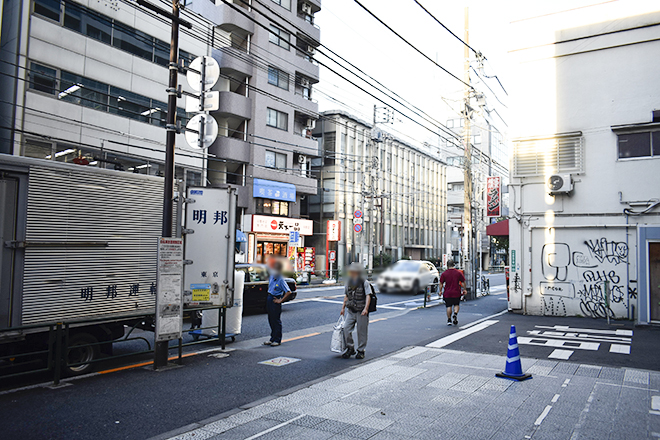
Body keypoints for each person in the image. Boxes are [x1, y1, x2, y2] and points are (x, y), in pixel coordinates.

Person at [340, 262, 372, 359]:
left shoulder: (364, 282)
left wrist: (366, 309)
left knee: (361, 331)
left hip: (361, 310)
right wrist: (343, 308)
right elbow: (346, 296)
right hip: (351, 310)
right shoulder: (349, 282)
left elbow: (368, 295)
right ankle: (350, 348)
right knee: (346, 328)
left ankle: (361, 350)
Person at [263, 259, 292, 346]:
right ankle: (272, 338)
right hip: (270, 297)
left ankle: (277, 339)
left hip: (276, 298)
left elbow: (288, 291)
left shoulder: (281, 280)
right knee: (270, 319)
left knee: (276, 320)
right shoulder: (272, 276)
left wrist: (281, 300)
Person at [439, 259, 466, 326]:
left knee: (449, 306)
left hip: (447, 293)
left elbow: (441, 283)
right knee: (456, 304)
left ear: (447, 265)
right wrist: (464, 289)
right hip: (456, 292)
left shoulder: (444, 273)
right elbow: (463, 282)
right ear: (453, 265)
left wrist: (440, 291)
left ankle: (449, 320)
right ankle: (455, 314)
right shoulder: (458, 273)